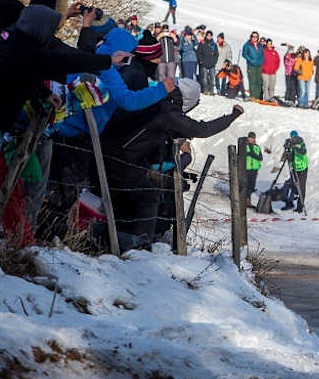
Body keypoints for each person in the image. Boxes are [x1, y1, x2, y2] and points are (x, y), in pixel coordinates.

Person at [0, 4, 130, 240]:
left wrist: (42, 94)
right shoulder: (27, 49)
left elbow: (16, 73)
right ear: (40, 28)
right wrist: (107, 60)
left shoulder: (9, 38)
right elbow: (64, 62)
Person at [104, 80, 244, 244]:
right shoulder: (167, 111)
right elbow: (201, 129)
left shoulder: (158, 101)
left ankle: (123, 240)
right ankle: (138, 247)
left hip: (116, 151)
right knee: (148, 196)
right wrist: (232, 116)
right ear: (188, 100)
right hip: (123, 158)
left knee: (131, 199)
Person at [282, 131, 308, 212]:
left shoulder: (301, 144)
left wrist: (295, 147)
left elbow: (303, 152)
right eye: (292, 137)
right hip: (293, 169)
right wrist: (286, 148)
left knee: (301, 188)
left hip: (302, 169)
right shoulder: (290, 145)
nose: (293, 139)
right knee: (290, 185)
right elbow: (286, 157)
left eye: (294, 137)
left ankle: (300, 207)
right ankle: (289, 203)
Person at [242, 31, 264, 99]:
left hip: (259, 66)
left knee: (258, 81)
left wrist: (261, 61)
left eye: (256, 37)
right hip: (251, 65)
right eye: (253, 36)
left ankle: (257, 96)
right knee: (252, 81)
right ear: (251, 37)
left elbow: (262, 54)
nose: (254, 38)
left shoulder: (259, 45)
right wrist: (251, 60)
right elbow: (244, 54)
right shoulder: (247, 45)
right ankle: (253, 96)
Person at [197, 29, 218, 94]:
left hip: (212, 63)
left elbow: (216, 54)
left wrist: (214, 61)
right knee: (204, 78)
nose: (209, 36)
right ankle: (205, 89)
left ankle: (211, 90)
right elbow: (198, 52)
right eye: (208, 35)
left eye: (210, 35)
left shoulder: (214, 44)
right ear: (206, 36)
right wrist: (200, 60)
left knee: (212, 77)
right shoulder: (202, 43)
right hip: (204, 63)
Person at [245, 132, 263, 208]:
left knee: (251, 186)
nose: (251, 139)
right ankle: (245, 200)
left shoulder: (257, 147)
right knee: (245, 185)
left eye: (253, 138)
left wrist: (252, 154)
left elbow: (260, 158)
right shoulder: (244, 146)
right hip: (246, 169)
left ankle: (248, 200)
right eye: (250, 138)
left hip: (254, 170)